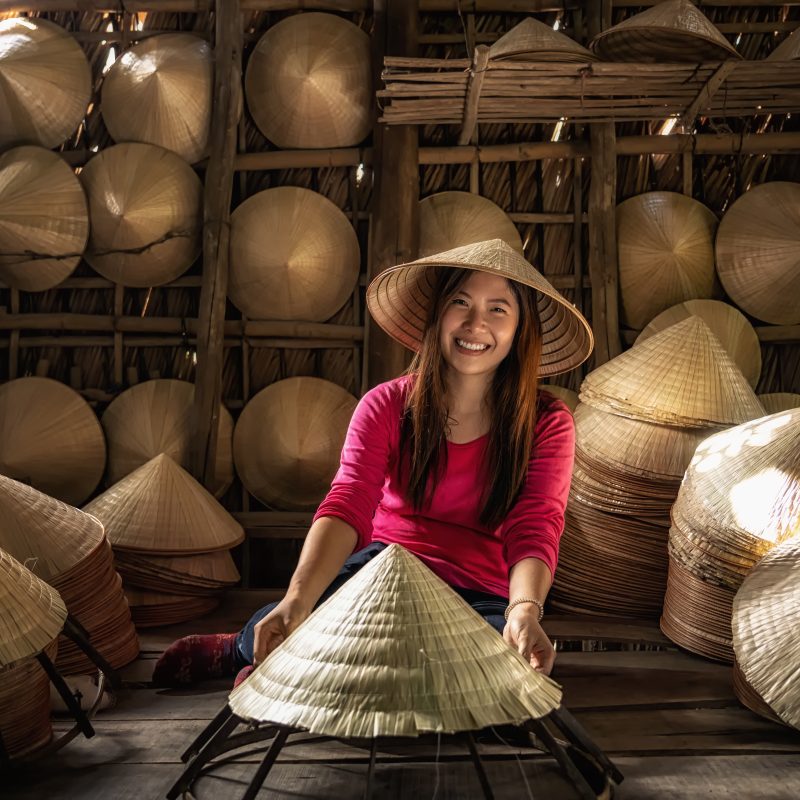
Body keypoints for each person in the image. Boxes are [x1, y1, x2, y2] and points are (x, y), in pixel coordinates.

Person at [152, 238, 593, 689]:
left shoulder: (547, 422)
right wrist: (298, 600)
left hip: (479, 597)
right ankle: (240, 649)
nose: (475, 323)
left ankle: (293, 673)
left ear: (521, 329)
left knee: (481, 672)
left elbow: (536, 525)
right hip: (379, 573)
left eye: (498, 309)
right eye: (460, 302)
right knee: (298, 617)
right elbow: (349, 501)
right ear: (438, 315)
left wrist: (522, 611)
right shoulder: (386, 403)